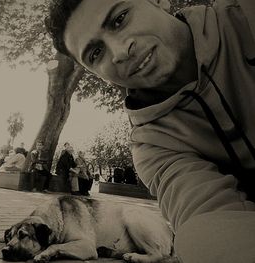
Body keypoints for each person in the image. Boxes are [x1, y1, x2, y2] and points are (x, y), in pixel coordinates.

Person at [45, 0, 255, 262]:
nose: (120, 51)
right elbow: (211, 222)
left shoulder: (244, 16)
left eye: (120, 19)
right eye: (96, 53)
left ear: (158, 2)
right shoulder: (152, 146)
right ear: (98, 75)